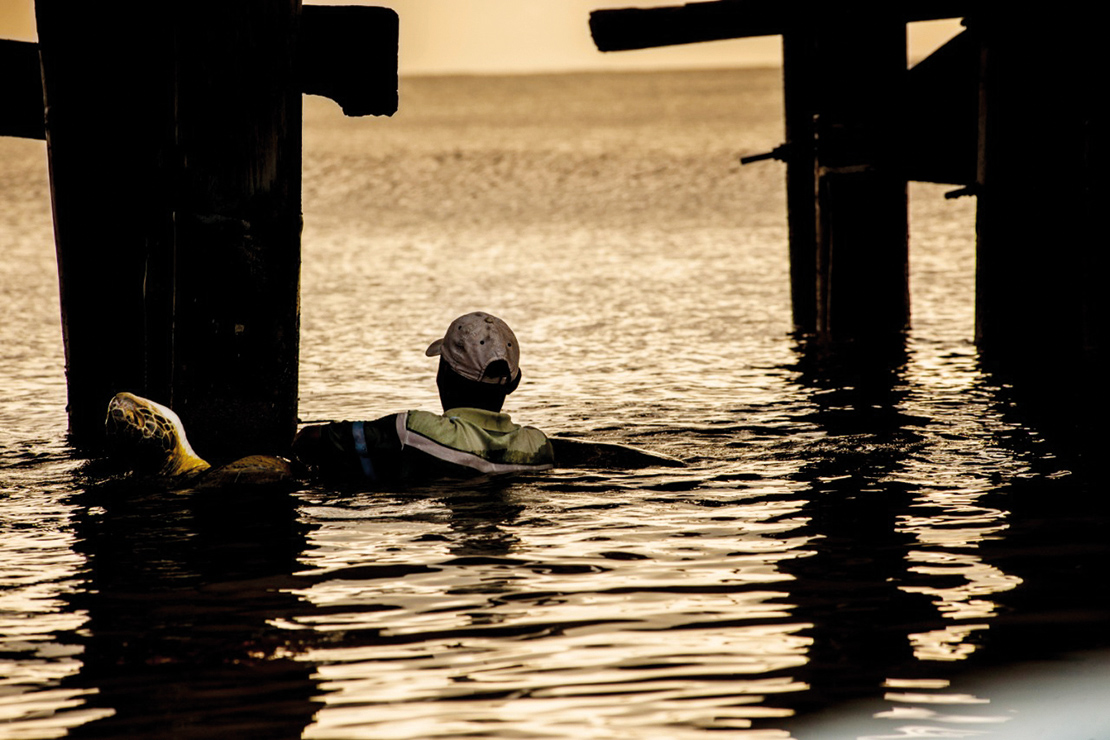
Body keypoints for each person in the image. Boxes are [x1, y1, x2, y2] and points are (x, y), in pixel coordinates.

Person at [292, 312, 555, 484]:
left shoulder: (415, 430)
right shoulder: (538, 446)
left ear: (443, 375)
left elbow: (312, 441)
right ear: (514, 384)